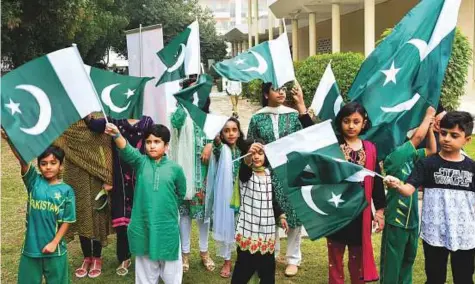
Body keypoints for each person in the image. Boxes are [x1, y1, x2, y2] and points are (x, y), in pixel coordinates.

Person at [384, 111, 475, 284]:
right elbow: (408, 189)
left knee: (464, 278)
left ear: (467, 140)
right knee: (434, 278)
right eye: (443, 133)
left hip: (465, 233)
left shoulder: (472, 167)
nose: (447, 139)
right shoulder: (427, 164)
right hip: (434, 232)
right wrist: (397, 184)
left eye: (454, 135)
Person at [105, 123, 186, 284]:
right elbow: (127, 150)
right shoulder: (141, 163)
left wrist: (165, 207)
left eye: (157, 142)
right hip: (143, 225)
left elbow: (180, 193)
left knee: (172, 274)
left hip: (167, 228)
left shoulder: (175, 169)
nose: (152, 146)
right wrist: (116, 135)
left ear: (166, 146)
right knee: (145, 273)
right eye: (148, 142)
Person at [246, 81, 313, 277]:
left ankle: (293, 258)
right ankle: (271, 254)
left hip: (290, 171)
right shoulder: (257, 118)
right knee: (268, 214)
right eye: (276, 89)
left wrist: (301, 105)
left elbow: (306, 136)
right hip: (266, 173)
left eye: (283, 89)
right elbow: (250, 142)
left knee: (293, 214)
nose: (282, 92)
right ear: (266, 94)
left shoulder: (292, 116)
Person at [3, 131, 76, 284]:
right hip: (31, 249)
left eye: (53, 163)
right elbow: (22, 160)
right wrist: (10, 139)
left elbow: (67, 221)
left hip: (55, 251)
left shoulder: (67, 191)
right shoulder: (33, 182)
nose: (48, 167)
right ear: (39, 166)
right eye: (43, 163)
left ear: (61, 166)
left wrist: (54, 243)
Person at [85, 114, 154, 276]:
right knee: (122, 220)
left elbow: (155, 141)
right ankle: (124, 257)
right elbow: (94, 126)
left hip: (142, 176)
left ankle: (145, 255)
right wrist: (87, 115)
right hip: (119, 177)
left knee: (143, 217)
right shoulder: (113, 120)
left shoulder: (147, 122)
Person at [326, 102, 385, 284]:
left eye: (356, 121)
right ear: (340, 122)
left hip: (361, 212)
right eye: (346, 121)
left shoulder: (370, 148)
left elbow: (376, 182)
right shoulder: (332, 144)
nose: (351, 126)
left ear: (364, 123)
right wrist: (302, 107)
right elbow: (311, 133)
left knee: (357, 256)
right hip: (337, 209)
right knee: (335, 256)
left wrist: (380, 211)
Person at [379, 106, 437, 283]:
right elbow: (417, 138)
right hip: (397, 220)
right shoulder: (394, 157)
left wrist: (431, 131)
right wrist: (428, 116)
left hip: (411, 221)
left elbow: (432, 151)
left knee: (408, 260)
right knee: (392, 263)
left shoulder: (410, 157)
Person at [54, 119, 113, 279]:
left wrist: (108, 176)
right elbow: (53, 141)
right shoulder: (66, 124)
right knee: (80, 212)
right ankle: (87, 257)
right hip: (74, 175)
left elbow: (108, 147)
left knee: (97, 213)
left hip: (96, 176)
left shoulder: (97, 122)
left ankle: (97, 257)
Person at [169, 81, 215, 273]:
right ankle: (185, 253)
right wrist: (182, 103)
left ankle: (204, 252)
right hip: (183, 173)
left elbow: (220, 137)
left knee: (204, 216)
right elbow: (176, 123)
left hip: (204, 174)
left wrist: (211, 144)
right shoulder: (179, 115)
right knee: (185, 215)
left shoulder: (210, 119)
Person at [231, 139, 288, 284]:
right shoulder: (245, 174)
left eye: (260, 153)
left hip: (267, 232)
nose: (256, 156)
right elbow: (245, 171)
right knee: (243, 269)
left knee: (268, 271)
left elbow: (272, 199)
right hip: (249, 230)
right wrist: (248, 157)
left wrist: (281, 215)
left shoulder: (268, 174)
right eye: (252, 153)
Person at [208, 117, 247, 278]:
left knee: (243, 227)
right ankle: (227, 261)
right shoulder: (221, 148)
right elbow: (216, 147)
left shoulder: (245, 148)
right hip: (226, 197)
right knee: (227, 227)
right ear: (222, 134)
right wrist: (215, 141)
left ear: (239, 132)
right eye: (226, 130)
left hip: (245, 194)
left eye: (234, 130)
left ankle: (245, 260)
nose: (231, 133)